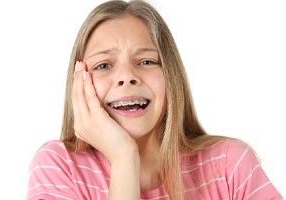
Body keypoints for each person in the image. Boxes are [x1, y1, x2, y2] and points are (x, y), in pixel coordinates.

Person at [26, 0, 283, 199]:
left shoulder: (229, 165)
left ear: (171, 76)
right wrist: (124, 157)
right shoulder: (58, 167)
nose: (127, 77)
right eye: (104, 65)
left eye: (147, 61)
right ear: (79, 83)